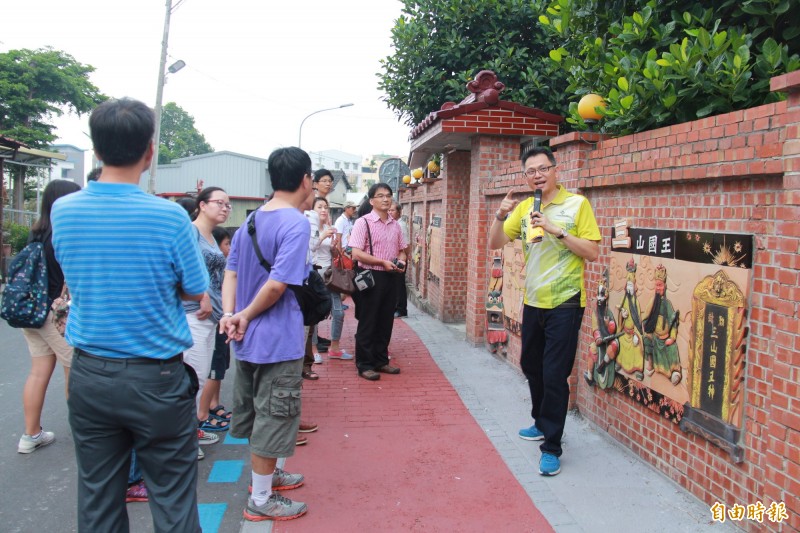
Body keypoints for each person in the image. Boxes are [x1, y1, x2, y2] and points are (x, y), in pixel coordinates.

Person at [51, 97, 209, 532]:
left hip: (89, 375)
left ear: (96, 150)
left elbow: (80, 273)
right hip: (156, 379)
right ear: (150, 150)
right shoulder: (169, 217)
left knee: (98, 498)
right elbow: (195, 289)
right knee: (174, 500)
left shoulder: (64, 211)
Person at [488, 146, 600, 477]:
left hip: (565, 300)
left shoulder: (577, 204)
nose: (538, 175)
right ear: (526, 176)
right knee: (530, 365)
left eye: (543, 168)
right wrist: (500, 214)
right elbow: (494, 242)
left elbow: (592, 252)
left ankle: (551, 444)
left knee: (554, 374)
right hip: (533, 298)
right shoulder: (524, 207)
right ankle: (540, 420)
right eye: (531, 171)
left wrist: (557, 230)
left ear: (555, 169)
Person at [220, 147, 312, 522]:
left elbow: (232, 272)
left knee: (260, 413)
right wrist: (243, 313)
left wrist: (232, 314)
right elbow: (276, 286)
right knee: (275, 416)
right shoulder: (296, 223)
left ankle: (270, 475)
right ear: (306, 180)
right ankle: (260, 498)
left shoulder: (252, 220)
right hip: (276, 339)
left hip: (245, 338)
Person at [17, 179, 81, 454]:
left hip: (30, 312)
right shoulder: (64, 233)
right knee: (74, 373)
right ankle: (83, 435)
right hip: (56, 314)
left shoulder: (36, 232)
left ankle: (30, 435)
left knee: (38, 372)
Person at [348, 183, 408, 381]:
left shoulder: (395, 224)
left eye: (388, 195)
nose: (385, 199)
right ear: (371, 200)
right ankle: (364, 364)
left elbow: (402, 248)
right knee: (368, 321)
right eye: (380, 195)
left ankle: (381, 361)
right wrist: (382, 261)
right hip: (370, 276)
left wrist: (401, 259)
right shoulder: (363, 223)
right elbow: (356, 253)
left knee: (385, 321)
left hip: (391, 276)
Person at [185, 187, 232, 437]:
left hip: (212, 316)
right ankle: (186, 436)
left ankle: (192, 431)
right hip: (193, 314)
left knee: (201, 376)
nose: (225, 208)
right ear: (202, 205)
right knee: (194, 378)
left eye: (228, 204)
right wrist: (201, 296)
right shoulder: (190, 232)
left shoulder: (212, 236)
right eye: (219, 203)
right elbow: (179, 268)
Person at [310, 197, 352, 361]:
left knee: (338, 312)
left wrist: (335, 248)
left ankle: (335, 348)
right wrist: (321, 237)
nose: (323, 210)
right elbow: (309, 248)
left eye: (325, 207)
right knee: (313, 314)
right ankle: (313, 350)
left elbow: (334, 254)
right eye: (319, 207)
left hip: (330, 275)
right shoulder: (309, 228)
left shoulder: (329, 227)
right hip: (314, 274)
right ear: (312, 210)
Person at [203, 225, 233, 421]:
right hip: (213, 317)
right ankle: (203, 414)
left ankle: (213, 404)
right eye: (227, 244)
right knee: (214, 366)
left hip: (221, 315)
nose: (229, 248)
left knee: (220, 365)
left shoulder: (225, 265)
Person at [642, 265, 682, 385]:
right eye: (656, 285)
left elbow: (674, 323)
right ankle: (650, 363)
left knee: (672, 348)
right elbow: (645, 320)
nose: (658, 288)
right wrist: (650, 330)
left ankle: (675, 372)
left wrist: (672, 337)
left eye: (660, 285)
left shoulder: (668, 304)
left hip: (666, 339)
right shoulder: (652, 302)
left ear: (665, 287)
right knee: (646, 340)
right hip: (655, 337)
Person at [388, 201, 410, 318]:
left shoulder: (400, 225)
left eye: (392, 210)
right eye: (389, 210)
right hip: (394, 259)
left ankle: (401, 309)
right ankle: (396, 307)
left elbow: (406, 245)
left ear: (399, 212)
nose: (390, 212)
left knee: (399, 284)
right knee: (395, 285)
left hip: (400, 259)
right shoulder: (394, 223)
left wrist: (404, 260)